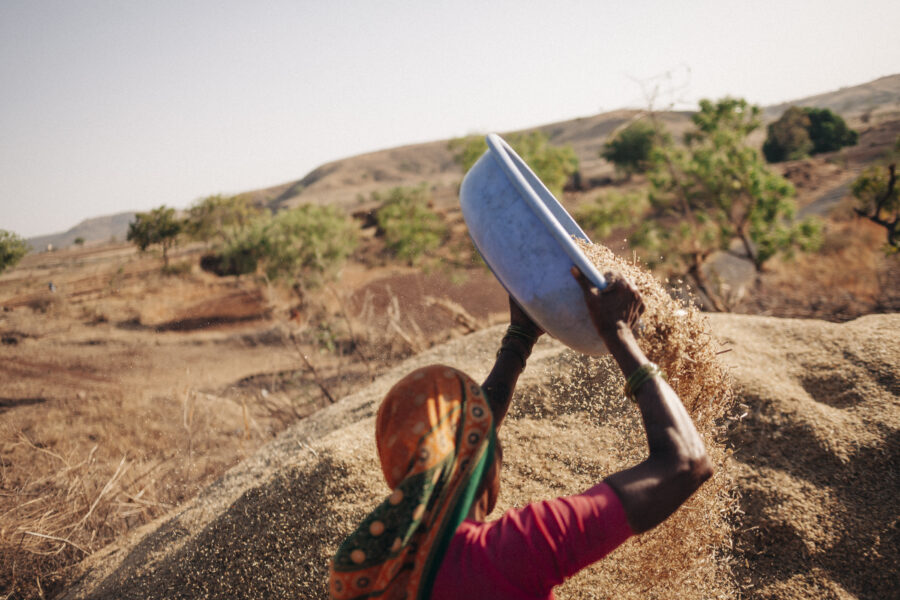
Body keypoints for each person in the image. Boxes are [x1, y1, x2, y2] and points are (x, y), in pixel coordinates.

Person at [329, 266, 713, 600]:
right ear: (478, 453)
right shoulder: (512, 552)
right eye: (489, 434)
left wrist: (520, 337)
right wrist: (619, 335)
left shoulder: (365, 565)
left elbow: (470, 433)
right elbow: (687, 461)